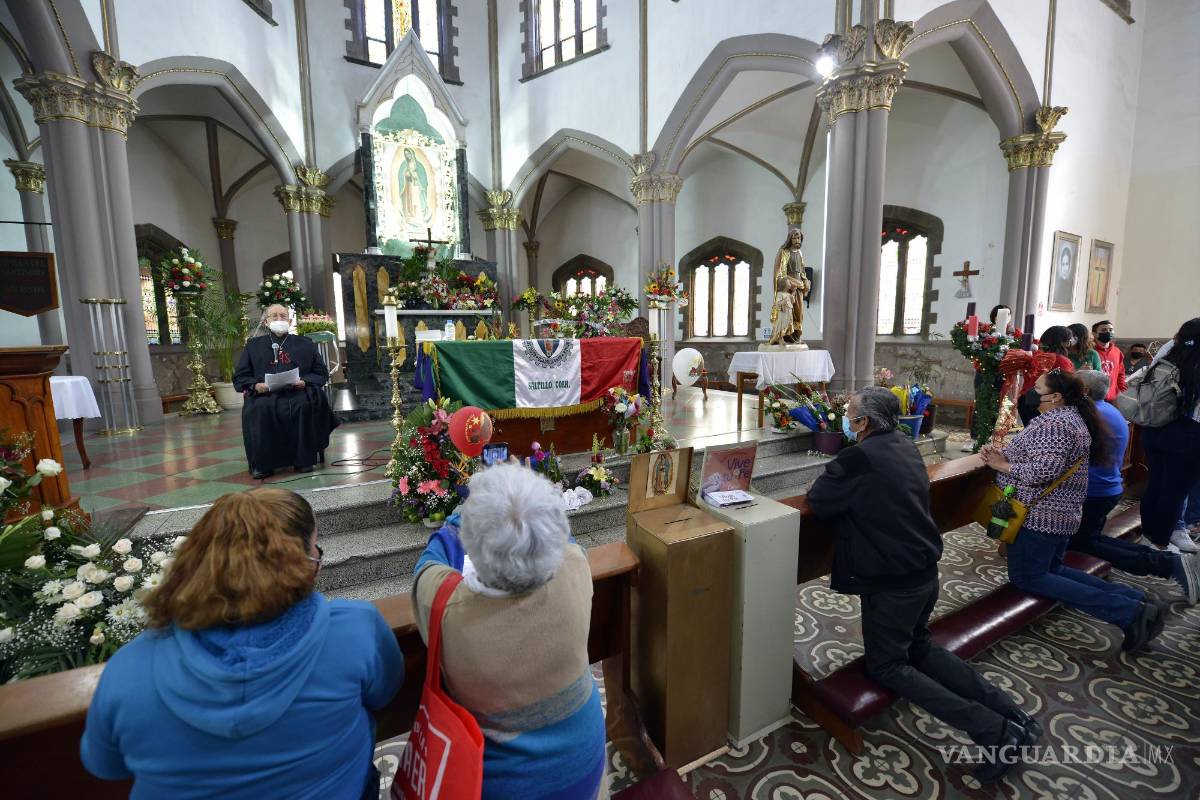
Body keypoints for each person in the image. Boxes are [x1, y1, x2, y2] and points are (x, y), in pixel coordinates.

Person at [81, 489, 404, 800]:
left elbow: (105, 765)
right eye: (315, 550)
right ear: (302, 563)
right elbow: (385, 692)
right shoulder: (354, 629)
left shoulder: (130, 669)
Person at [807, 387, 1037, 784]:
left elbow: (821, 501)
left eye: (849, 414)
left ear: (863, 423)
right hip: (923, 571)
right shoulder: (904, 444)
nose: (846, 418)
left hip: (891, 580)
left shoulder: (857, 457)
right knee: (919, 645)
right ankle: (1013, 713)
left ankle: (994, 730)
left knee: (888, 664)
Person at [411, 462, 606, 799]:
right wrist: (524, 499)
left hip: (502, 785)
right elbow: (565, 537)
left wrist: (466, 512)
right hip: (584, 763)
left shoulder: (446, 610)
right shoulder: (577, 567)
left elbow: (429, 561)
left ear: (471, 539)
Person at [981, 370, 1164, 651]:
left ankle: (1128, 612)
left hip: (1040, 515)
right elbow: (1045, 457)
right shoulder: (1071, 418)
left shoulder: (1055, 424)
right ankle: (1133, 599)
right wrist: (1006, 453)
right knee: (1052, 568)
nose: (1031, 391)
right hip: (1059, 512)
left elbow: (1045, 470)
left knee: (1028, 576)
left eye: (1037, 387)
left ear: (1054, 397)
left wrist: (1002, 466)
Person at [1068, 370, 1198, 603]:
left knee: (1085, 542)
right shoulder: (1110, 410)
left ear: (1083, 391)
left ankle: (1168, 565)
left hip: (1093, 491)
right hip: (1108, 488)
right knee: (1090, 537)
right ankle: (1169, 562)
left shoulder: (1089, 415)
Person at [233, 304, 340, 479]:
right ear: (266, 322)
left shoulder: (305, 344)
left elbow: (321, 373)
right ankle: (263, 464)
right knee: (259, 410)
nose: (279, 319)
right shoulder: (253, 346)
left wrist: (305, 382)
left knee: (303, 406)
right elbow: (240, 377)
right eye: (274, 316)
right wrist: (256, 385)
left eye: (283, 316)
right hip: (265, 394)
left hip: (298, 392)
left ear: (290, 321)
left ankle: (304, 460)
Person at [1137, 318, 1200, 554]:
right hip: (1188, 436)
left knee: (1155, 486)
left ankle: (1148, 537)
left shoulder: (1166, 357)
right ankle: (1160, 543)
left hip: (1155, 429)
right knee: (1175, 493)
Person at [764, 227, 812, 347]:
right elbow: (779, 274)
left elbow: (802, 271)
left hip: (799, 288)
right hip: (789, 287)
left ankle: (796, 337)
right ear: (790, 239)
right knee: (787, 314)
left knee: (799, 314)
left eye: (799, 237)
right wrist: (793, 282)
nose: (797, 240)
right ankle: (785, 336)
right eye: (795, 237)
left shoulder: (800, 253)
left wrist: (805, 281)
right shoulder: (783, 252)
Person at [1090, 320, 1128, 401]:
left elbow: (1121, 373)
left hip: (1113, 396)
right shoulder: (1089, 351)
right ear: (1094, 334)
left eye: (1110, 330)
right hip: (1094, 397)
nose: (1108, 332)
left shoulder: (1117, 351)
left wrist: (1122, 390)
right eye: (1104, 330)